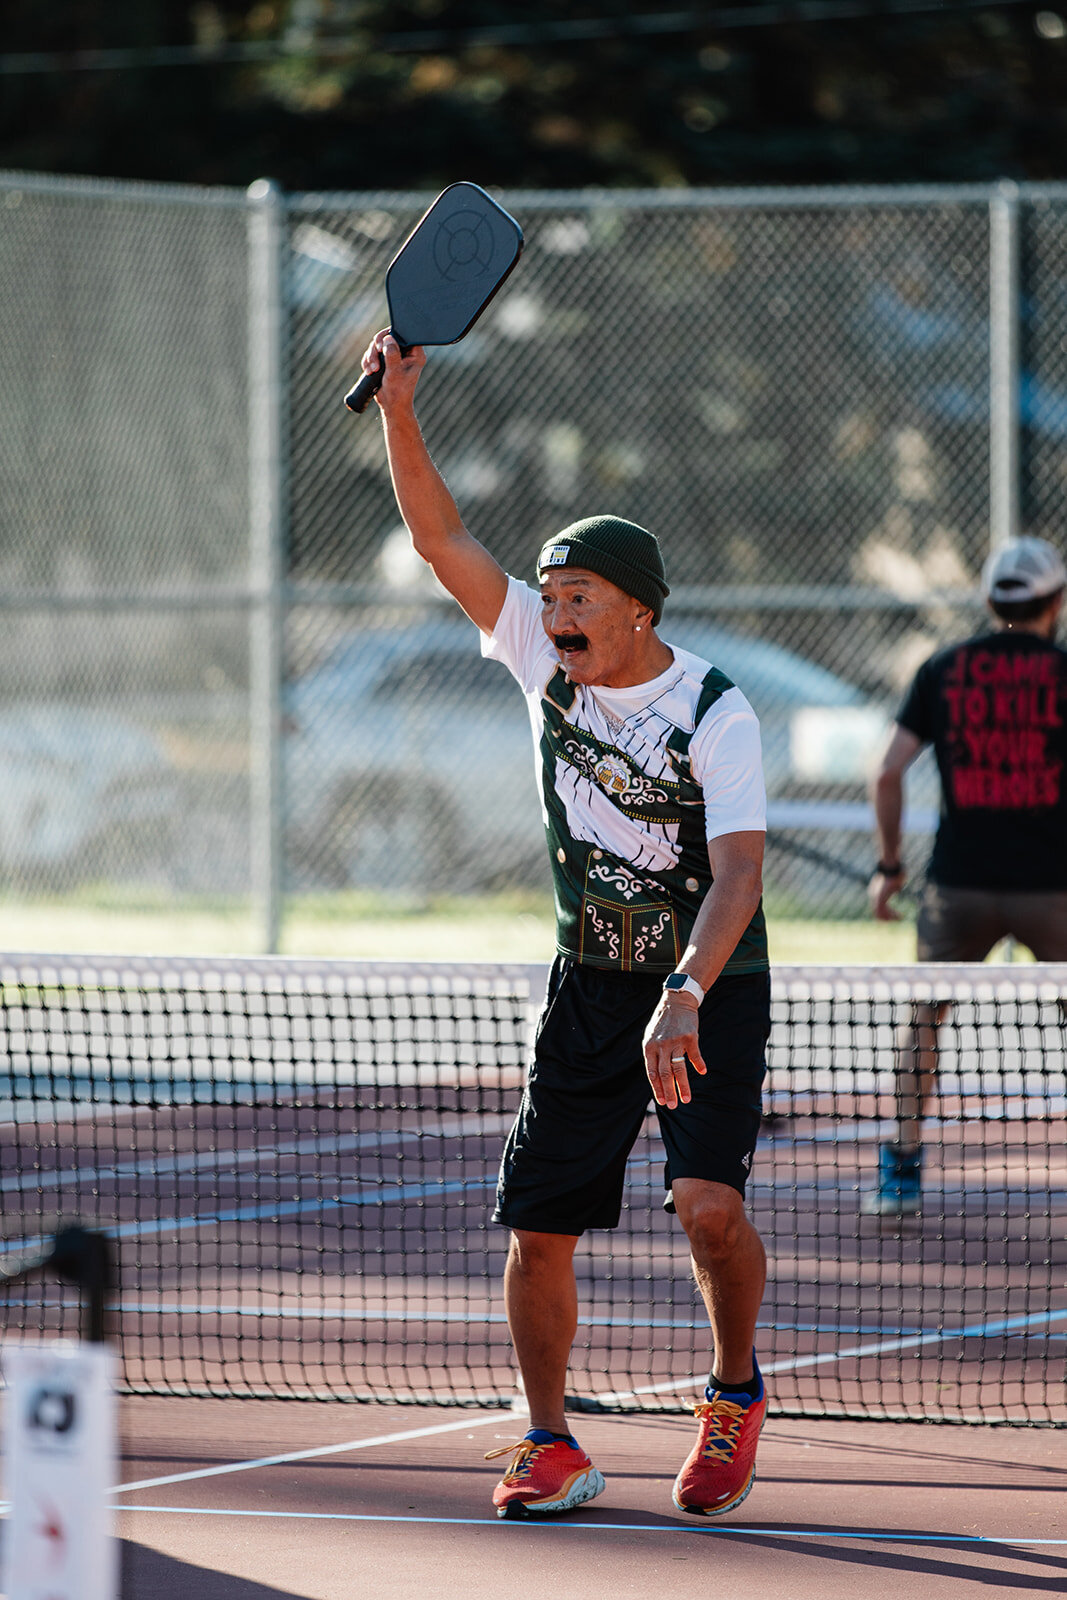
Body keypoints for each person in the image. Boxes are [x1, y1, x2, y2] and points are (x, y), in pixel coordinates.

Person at [359, 331, 772, 1520]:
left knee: (708, 1209)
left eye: (574, 596)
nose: (551, 613)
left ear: (636, 611)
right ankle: (551, 1441)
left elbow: (739, 872)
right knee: (540, 1227)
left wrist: (686, 987)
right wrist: (400, 408)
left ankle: (734, 1390)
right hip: (588, 980)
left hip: (703, 983)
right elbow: (441, 538)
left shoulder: (710, 708)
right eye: (545, 597)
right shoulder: (542, 662)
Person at [867, 535, 1067, 1215]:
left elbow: (887, 769)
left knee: (924, 1019)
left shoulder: (943, 668)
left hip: (957, 888)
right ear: (1055, 601)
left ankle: (899, 1176)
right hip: (1054, 890)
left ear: (988, 600)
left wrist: (889, 868)